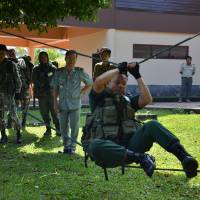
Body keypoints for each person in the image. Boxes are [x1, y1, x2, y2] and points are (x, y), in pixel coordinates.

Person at [82, 62, 199, 178]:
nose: (121, 85)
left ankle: (185, 158)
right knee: (94, 145)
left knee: (152, 125)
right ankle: (141, 158)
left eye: (124, 83)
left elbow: (147, 99)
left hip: (131, 147)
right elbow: (98, 82)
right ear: (108, 83)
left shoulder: (128, 101)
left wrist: (137, 75)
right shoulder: (98, 98)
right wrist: (118, 69)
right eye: (117, 82)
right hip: (108, 154)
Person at [51, 50, 93, 154]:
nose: (71, 60)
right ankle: (66, 147)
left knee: (74, 127)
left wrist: (81, 92)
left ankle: (73, 148)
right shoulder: (59, 72)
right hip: (62, 104)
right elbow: (55, 88)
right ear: (65, 58)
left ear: (76, 60)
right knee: (63, 127)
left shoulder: (79, 72)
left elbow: (90, 83)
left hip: (75, 104)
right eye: (69, 58)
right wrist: (55, 103)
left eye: (73, 58)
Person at [32, 51, 60, 136]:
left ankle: (58, 129)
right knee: (44, 114)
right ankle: (48, 130)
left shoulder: (53, 68)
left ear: (47, 58)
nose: (43, 59)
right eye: (41, 57)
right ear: (39, 59)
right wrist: (43, 84)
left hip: (51, 94)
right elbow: (34, 80)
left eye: (44, 57)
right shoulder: (36, 69)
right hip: (42, 95)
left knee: (54, 113)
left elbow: (56, 81)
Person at [0, 44, 22, 144]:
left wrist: (17, 94)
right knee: (1, 117)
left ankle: (18, 134)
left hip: (9, 94)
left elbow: (18, 80)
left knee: (14, 116)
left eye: (2, 52)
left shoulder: (10, 64)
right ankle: (3, 135)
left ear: (5, 53)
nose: (1, 54)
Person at [7, 49, 33, 128]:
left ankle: (23, 123)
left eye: (13, 53)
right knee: (12, 107)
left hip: (24, 88)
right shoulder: (7, 63)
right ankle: (9, 124)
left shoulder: (21, 61)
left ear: (15, 53)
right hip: (13, 90)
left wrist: (28, 84)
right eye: (10, 54)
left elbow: (27, 72)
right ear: (7, 55)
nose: (12, 54)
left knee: (25, 107)